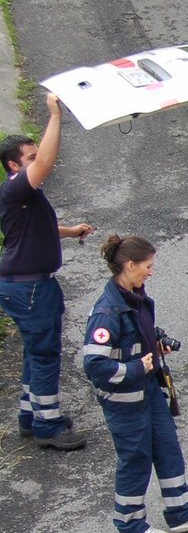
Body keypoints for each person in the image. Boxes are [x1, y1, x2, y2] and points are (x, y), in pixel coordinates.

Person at [82, 235, 188, 533]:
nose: (151, 272)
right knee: (136, 458)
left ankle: (180, 512)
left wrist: (157, 340)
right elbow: (95, 366)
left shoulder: (135, 296)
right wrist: (135, 369)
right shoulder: (107, 313)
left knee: (168, 446)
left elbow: (139, 335)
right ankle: (130, 527)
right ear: (129, 265)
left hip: (149, 393)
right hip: (125, 402)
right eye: (147, 266)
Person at [0, 93, 94, 450]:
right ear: (14, 166)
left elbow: (34, 229)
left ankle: (30, 415)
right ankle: (48, 426)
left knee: (33, 351)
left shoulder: (20, 196)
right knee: (44, 354)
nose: (37, 160)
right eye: (30, 157)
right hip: (31, 290)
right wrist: (55, 115)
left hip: (23, 286)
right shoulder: (17, 186)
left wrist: (70, 232)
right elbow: (50, 160)